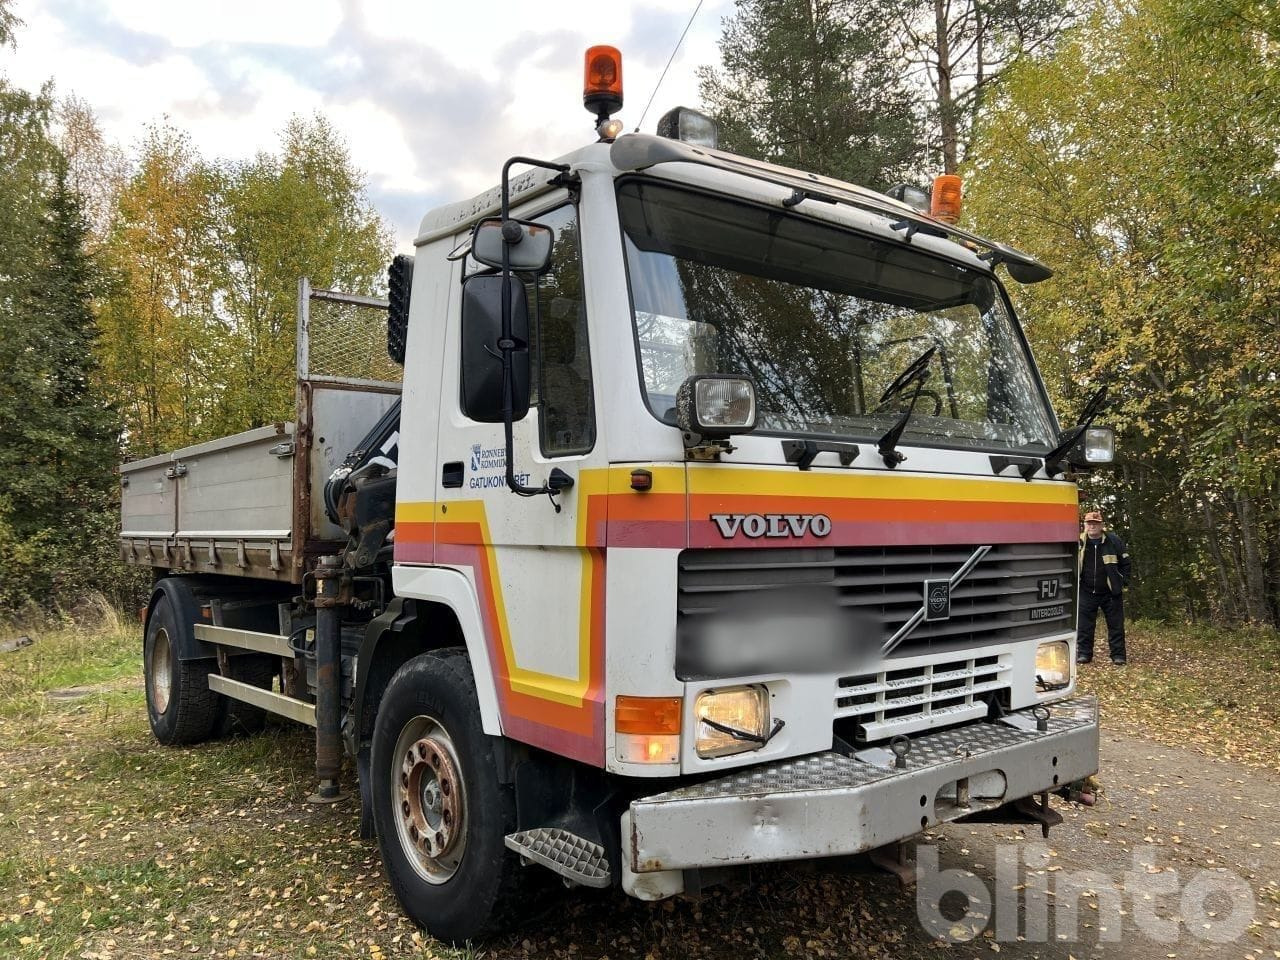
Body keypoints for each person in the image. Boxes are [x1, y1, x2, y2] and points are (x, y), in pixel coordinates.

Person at [1077, 510, 1131, 665]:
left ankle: (1118, 656)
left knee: (1116, 626)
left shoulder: (1113, 541)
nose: (1092, 526)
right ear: (1085, 525)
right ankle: (1084, 654)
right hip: (1086, 591)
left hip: (1110, 592)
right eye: (1089, 523)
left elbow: (1126, 563)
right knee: (1084, 626)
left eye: (1095, 523)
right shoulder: (1079, 542)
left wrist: (1122, 582)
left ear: (1102, 525)